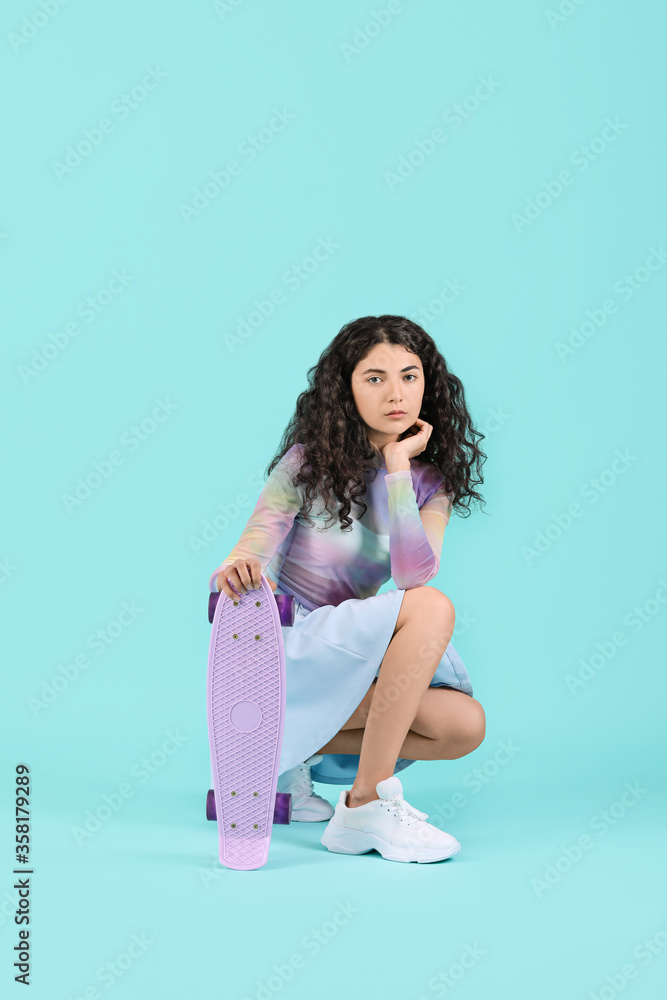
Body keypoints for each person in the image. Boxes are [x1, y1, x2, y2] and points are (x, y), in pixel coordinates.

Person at [209, 315, 488, 863]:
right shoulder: (306, 464)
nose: (396, 393)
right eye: (375, 378)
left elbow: (411, 574)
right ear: (347, 388)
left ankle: (274, 751)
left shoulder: (430, 484)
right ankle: (365, 803)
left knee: (463, 726)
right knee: (431, 608)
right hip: (293, 641)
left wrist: (398, 469)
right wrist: (239, 569)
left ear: (428, 383)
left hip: (358, 645)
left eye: (409, 376)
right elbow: (254, 546)